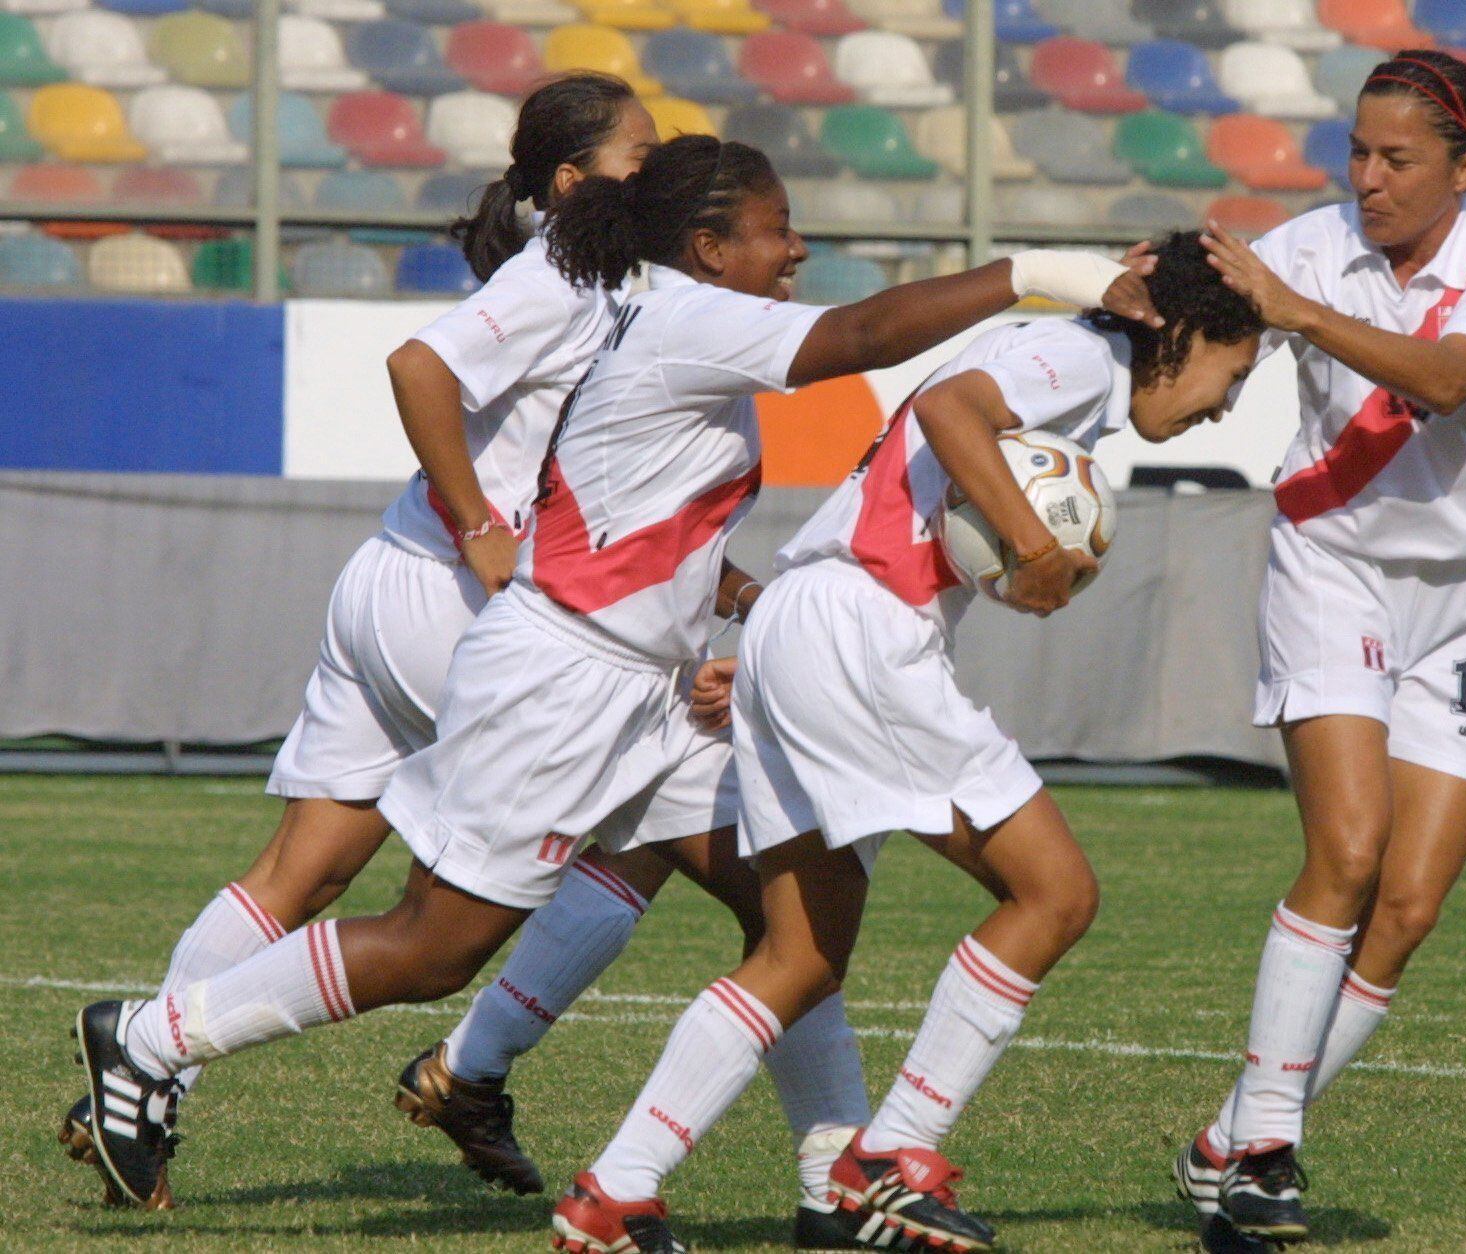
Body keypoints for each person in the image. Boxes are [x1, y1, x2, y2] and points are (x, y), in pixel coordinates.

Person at [70, 132, 1158, 1238]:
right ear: (709, 248)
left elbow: (654, 522)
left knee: (793, 926)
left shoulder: (674, 321)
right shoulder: (689, 321)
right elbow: (863, 336)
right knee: (435, 945)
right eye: (778, 230)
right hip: (564, 681)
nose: (797, 249)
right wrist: (1041, 270)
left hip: (645, 690)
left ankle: (834, 1183)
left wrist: (748, 611)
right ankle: (150, 1038)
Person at [555, 231, 1265, 1254]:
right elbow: (947, 410)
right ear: (1182, 334)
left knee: (800, 955)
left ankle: (614, 1193)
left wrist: (778, 660)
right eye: (1230, 377)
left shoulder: (1058, 363)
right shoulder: (1078, 356)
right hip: (862, 629)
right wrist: (1034, 545)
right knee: (1055, 894)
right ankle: (890, 1157)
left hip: (811, 615)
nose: (1224, 406)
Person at [59, 71, 683, 1209]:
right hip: (457, 603)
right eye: (638, 159)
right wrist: (482, 527)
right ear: (569, 179)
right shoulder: (560, 274)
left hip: (392, 580)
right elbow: (418, 365)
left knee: (302, 869)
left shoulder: (595, 278)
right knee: (653, 823)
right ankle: (469, 1069)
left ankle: (139, 1089)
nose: (658, 172)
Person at [1171, 50, 1466, 1249]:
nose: (1368, 178)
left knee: (1408, 906)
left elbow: (1448, 379)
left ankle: (1224, 1143)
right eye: (1357, 152)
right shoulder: (1308, 246)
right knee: (1346, 852)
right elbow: (1197, 322)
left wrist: (1294, 313)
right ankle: (1268, 1152)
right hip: (1333, 569)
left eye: (1397, 159)